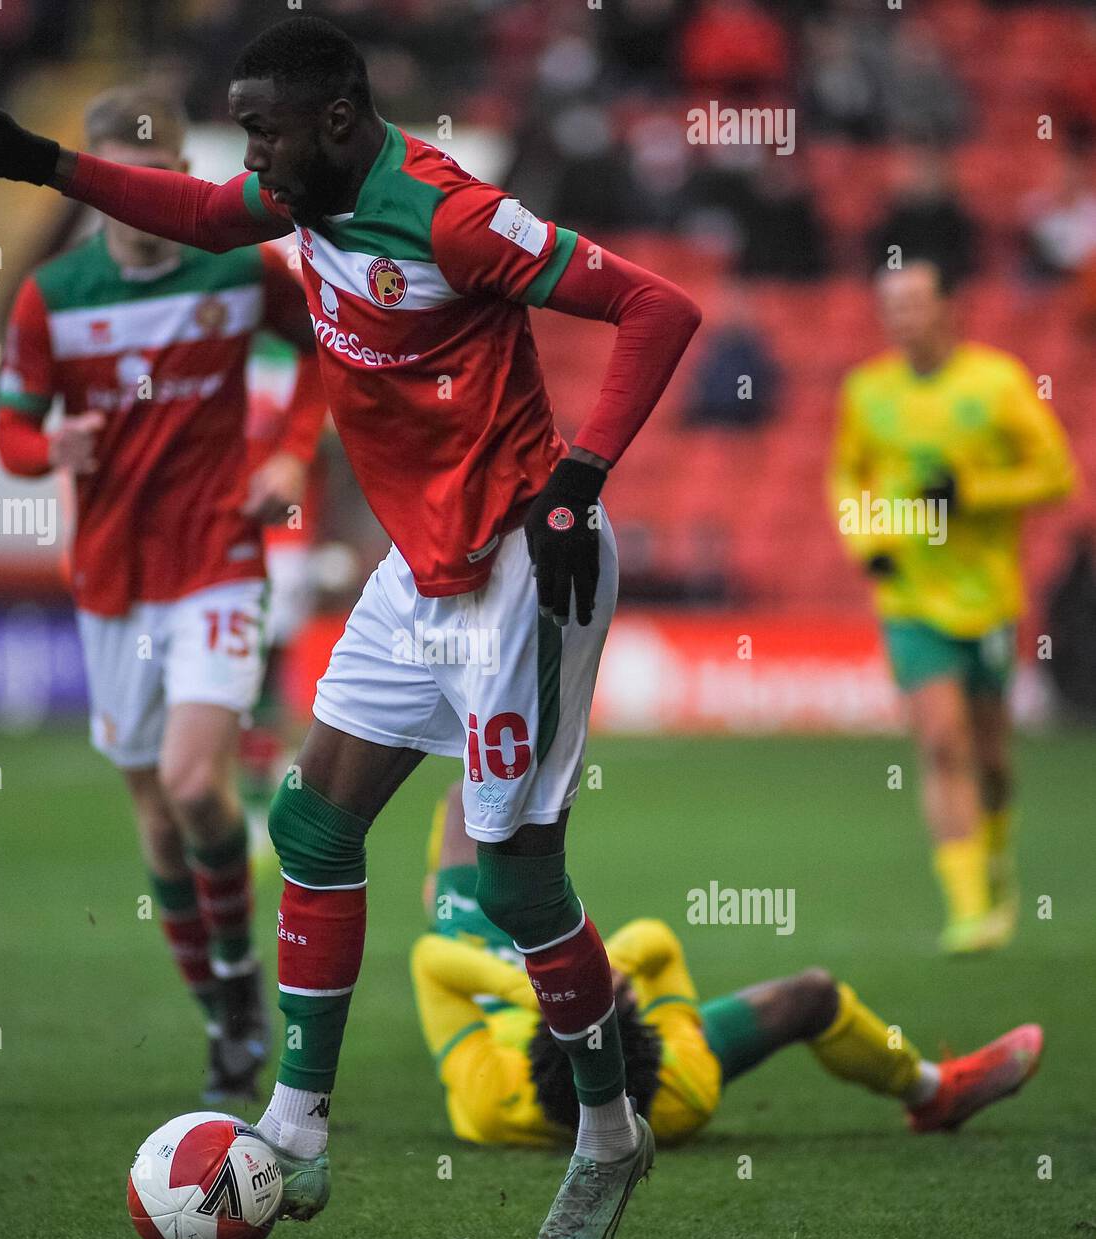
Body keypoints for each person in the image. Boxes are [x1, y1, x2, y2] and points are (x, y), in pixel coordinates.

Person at [0, 15, 702, 1239]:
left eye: (264, 131)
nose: (250, 157)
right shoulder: (295, 202)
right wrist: (36, 160)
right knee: (315, 827)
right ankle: (295, 1123)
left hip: (521, 565)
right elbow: (201, 212)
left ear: (336, 122)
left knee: (514, 880)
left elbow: (656, 307)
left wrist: (581, 482)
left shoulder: (448, 218)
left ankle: (607, 1131)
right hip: (420, 569)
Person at [0, 85, 327, 1101]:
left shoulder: (237, 262)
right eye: (127, 180)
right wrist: (51, 443)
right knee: (151, 799)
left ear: (184, 172)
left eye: (166, 176)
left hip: (217, 556)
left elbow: (323, 349)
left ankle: (238, 971)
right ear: (93, 183)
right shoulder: (53, 295)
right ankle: (222, 1009)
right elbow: (14, 434)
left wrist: (288, 457)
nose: (148, 195)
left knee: (193, 783)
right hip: (111, 581)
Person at [415, 782, 1043, 1148]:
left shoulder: (491, 1103)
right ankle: (932, 1091)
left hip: (480, 956)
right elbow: (656, 940)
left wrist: (542, 994)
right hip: (640, 1066)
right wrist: (597, 975)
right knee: (813, 996)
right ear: (647, 1032)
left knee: (470, 795)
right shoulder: (683, 1088)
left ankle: (436, 885)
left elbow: (431, 963)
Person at [830, 261, 1075, 954]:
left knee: (993, 755)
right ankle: (969, 909)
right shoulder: (867, 391)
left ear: (948, 309)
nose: (903, 316)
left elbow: (1055, 473)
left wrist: (971, 492)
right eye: (892, 305)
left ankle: (996, 861)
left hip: (987, 597)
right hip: (908, 595)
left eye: (915, 303)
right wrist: (866, 538)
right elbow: (847, 472)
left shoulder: (996, 382)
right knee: (942, 743)